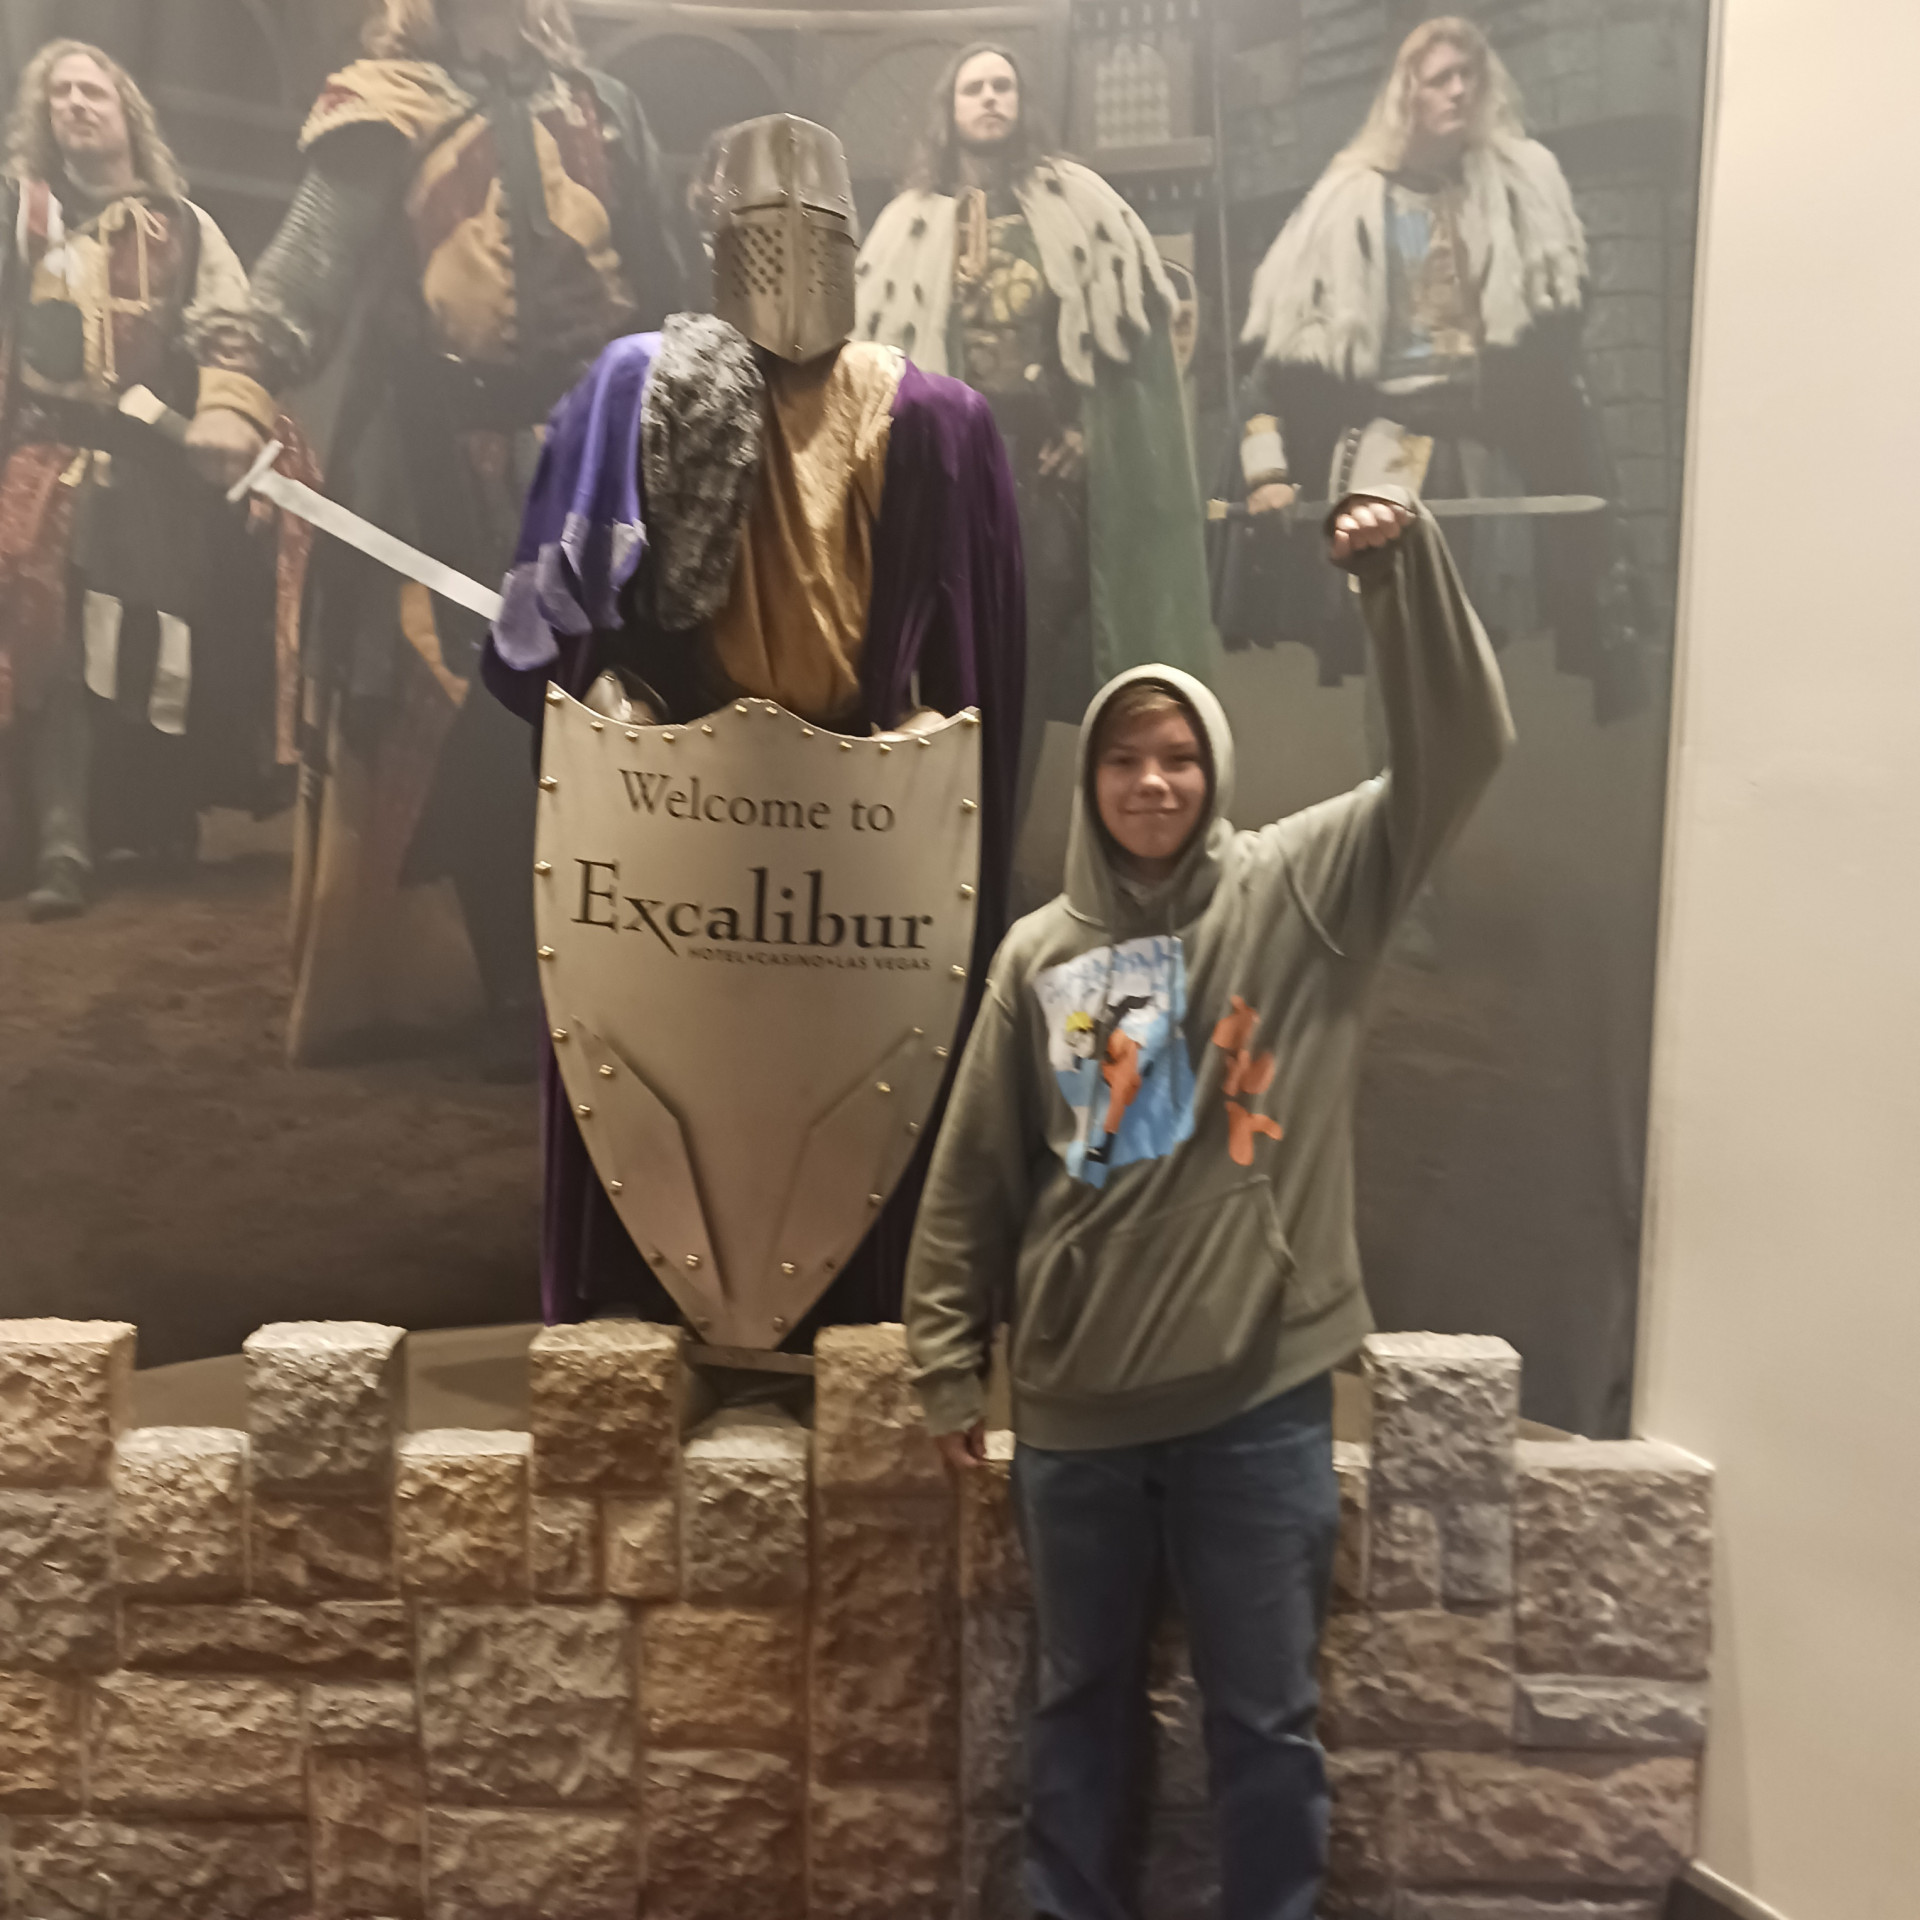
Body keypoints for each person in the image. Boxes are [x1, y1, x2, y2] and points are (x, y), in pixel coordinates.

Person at [904, 475, 1513, 1915]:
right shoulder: (1040, 956)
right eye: (1125, 760)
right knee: (1076, 1710)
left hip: (1256, 1406)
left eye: (1179, 757)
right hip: (1077, 1419)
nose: (1154, 784)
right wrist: (943, 1363)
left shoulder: (1305, 893)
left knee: (1265, 1724)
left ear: (1213, 768)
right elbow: (977, 1171)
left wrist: (1399, 582)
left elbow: (1460, 751)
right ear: (1091, 782)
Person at [482, 115, 1025, 1330]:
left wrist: (921, 736)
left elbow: (968, 665)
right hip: (680, 819)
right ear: (713, 237)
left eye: (811, 229)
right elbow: (556, 626)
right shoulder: (636, 386)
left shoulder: (933, 419)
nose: (786, 253)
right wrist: (609, 683)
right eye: (761, 228)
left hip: (854, 830)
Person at [210, 0, 685, 1067]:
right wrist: (237, 383)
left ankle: (601, 968)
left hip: (594, 456)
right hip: (432, 467)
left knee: (602, 714)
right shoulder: (384, 107)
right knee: (461, 718)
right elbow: (306, 265)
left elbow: (669, 286)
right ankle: (493, 982)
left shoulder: (606, 111)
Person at [1214, 15, 1649, 719]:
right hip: (1384, 448)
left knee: (1476, 656)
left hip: (1485, 450)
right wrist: (1267, 474)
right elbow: (1279, 365)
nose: (1458, 90)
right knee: (1392, 654)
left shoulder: (1520, 189)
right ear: (1405, 94)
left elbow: (1557, 339)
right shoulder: (1347, 204)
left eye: (1468, 76)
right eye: (1440, 78)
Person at [855, 43, 1216, 824]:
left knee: (1019, 664)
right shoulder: (906, 225)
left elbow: (1127, 343)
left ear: (1021, 104)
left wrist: (1089, 430)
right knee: (938, 658)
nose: (990, 98)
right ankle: (940, 851)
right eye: (973, 88)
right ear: (949, 109)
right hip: (945, 476)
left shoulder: (1077, 206)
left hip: (1037, 475)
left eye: (1003, 86)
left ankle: (1001, 846)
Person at [0, 41, 274, 919]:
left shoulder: (185, 226)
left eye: (94, 91)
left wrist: (225, 411)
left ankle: (152, 821)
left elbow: (229, 327)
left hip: (157, 472)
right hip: (42, 462)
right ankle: (61, 842)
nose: (76, 104)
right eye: (60, 94)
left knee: (151, 651)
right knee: (53, 641)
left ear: (127, 113)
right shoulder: (19, 218)